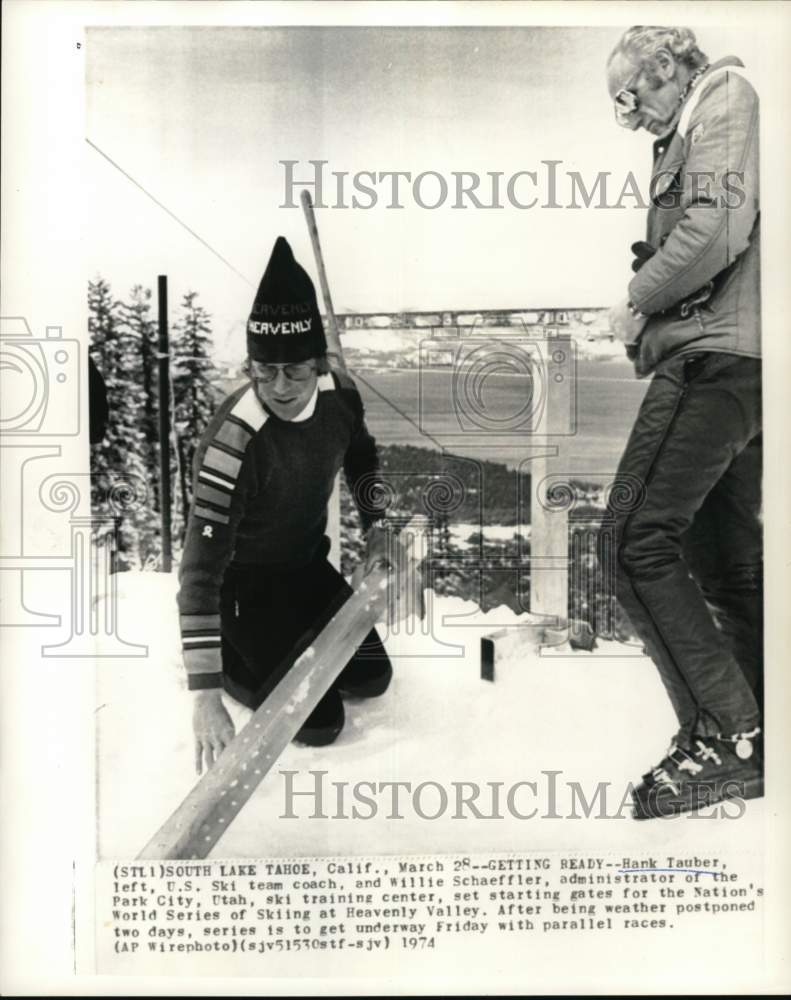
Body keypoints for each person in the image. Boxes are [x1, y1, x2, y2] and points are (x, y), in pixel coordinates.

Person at [602, 27, 762, 819]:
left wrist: (638, 300)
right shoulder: (699, 120)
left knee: (630, 544)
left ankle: (723, 736)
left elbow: (716, 231)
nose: (627, 118)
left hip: (711, 358)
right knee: (722, 555)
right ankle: (762, 726)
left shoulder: (722, 103)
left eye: (628, 98)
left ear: (665, 67)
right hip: (744, 361)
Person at [178, 236, 392, 773]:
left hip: (303, 567)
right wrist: (204, 695)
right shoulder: (234, 442)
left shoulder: (340, 397)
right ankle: (231, 655)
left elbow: (361, 454)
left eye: (294, 371)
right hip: (242, 587)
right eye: (263, 369)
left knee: (371, 677)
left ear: (318, 365)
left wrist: (376, 525)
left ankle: (284, 640)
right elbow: (199, 572)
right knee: (321, 725)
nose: (278, 386)